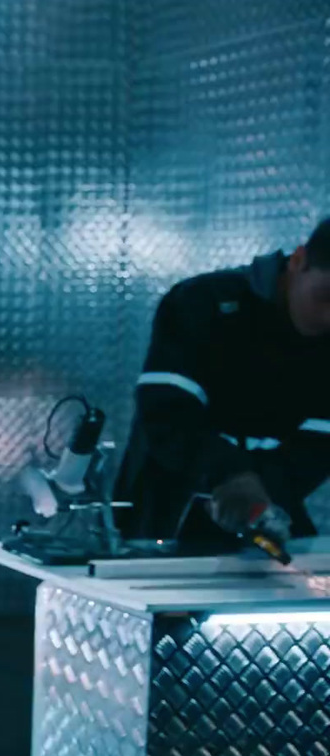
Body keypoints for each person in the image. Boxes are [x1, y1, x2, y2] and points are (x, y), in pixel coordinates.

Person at [114, 218, 330, 547]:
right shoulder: (202, 303)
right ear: (298, 261)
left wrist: (263, 495)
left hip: (266, 517)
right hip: (165, 515)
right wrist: (230, 475)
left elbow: (320, 443)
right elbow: (167, 415)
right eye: (325, 296)